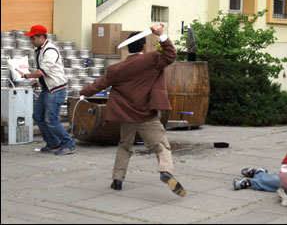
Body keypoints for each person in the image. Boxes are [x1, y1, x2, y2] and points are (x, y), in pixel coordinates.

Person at [79, 25, 186, 197]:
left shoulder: (116, 69)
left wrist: (81, 94)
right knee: (162, 146)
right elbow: (170, 55)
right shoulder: (151, 59)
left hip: (126, 115)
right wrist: (161, 35)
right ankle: (166, 171)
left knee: (124, 145)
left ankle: (117, 179)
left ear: (128, 47)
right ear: (144, 46)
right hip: (146, 115)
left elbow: (98, 85)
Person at [16, 25, 75, 155]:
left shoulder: (50, 51)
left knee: (51, 119)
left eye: (33, 38)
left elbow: (43, 71)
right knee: (37, 116)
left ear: (41, 37)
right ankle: (53, 142)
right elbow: (46, 72)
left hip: (55, 89)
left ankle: (68, 144)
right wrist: (38, 81)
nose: (31, 41)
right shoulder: (40, 49)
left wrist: (26, 75)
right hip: (48, 88)